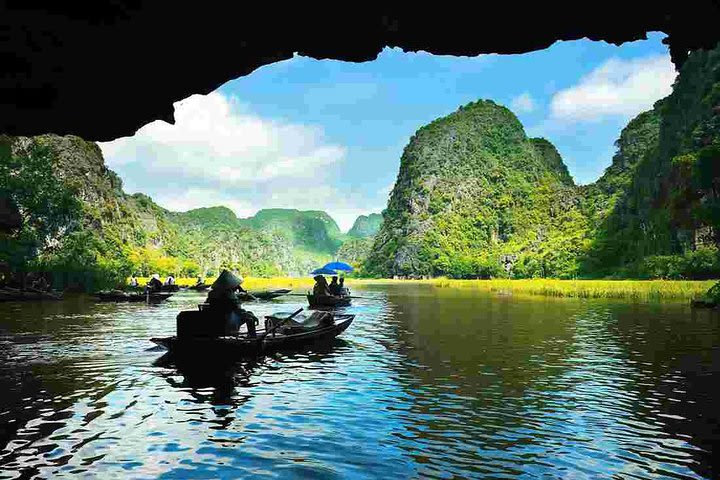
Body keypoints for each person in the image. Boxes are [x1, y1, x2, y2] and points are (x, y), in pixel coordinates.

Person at [206, 269, 257, 337]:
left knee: (248, 314)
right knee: (250, 317)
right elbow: (237, 308)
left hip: (216, 318)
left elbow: (207, 303)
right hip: (228, 319)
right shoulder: (229, 294)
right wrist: (243, 292)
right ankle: (252, 336)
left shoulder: (211, 293)